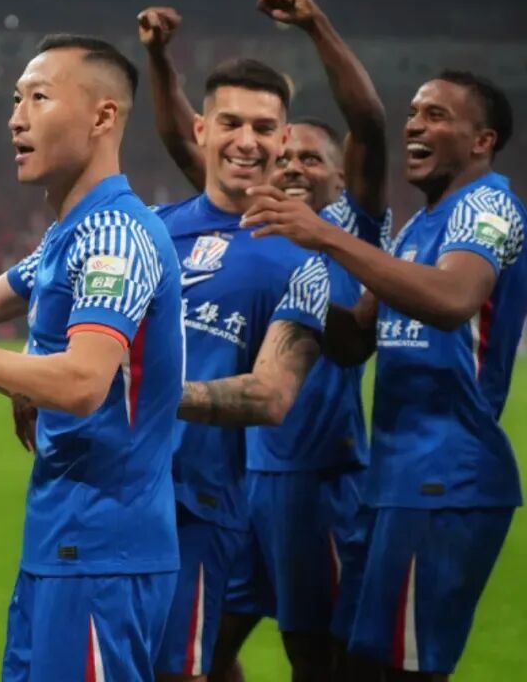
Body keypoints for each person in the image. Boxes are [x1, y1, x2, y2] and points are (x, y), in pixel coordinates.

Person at [0, 34, 186, 681]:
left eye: (38, 98)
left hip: (105, 546)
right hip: (63, 537)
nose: (15, 118)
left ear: (103, 117)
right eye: (16, 100)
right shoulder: (69, 233)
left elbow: (82, 381)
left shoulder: (116, 236)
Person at [140, 0, 389, 680]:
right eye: (291, 156)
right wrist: (159, 60)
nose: (297, 167)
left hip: (317, 471)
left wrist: (315, 26)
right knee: (210, 645)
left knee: (316, 652)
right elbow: (186, 138)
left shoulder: (346, 228)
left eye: (314, 157)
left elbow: (369, 124)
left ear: (341, 176)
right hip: (240, 470)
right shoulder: (252, 223)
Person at [241, 70, 523, 681]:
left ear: (483, 141)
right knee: (356, 662)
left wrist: (327, 236)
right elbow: (354, 342)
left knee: (401, 671)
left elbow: (452, 299)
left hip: (446, 480)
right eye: (414, 113)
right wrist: (290, 285)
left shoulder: (489, 207)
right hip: (395, 480)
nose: (415, 125)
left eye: (437, 116)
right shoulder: (420, 227)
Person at [139, 57, 331, 682]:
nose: (246, 141)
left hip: (195, 504)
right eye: (230, 123)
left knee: (176, 672)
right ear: (201, 129)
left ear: (283, 140)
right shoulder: (150, 230)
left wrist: (141, 393)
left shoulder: (302, 258)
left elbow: (271, 396)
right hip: (108, 489)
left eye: (264, 127)